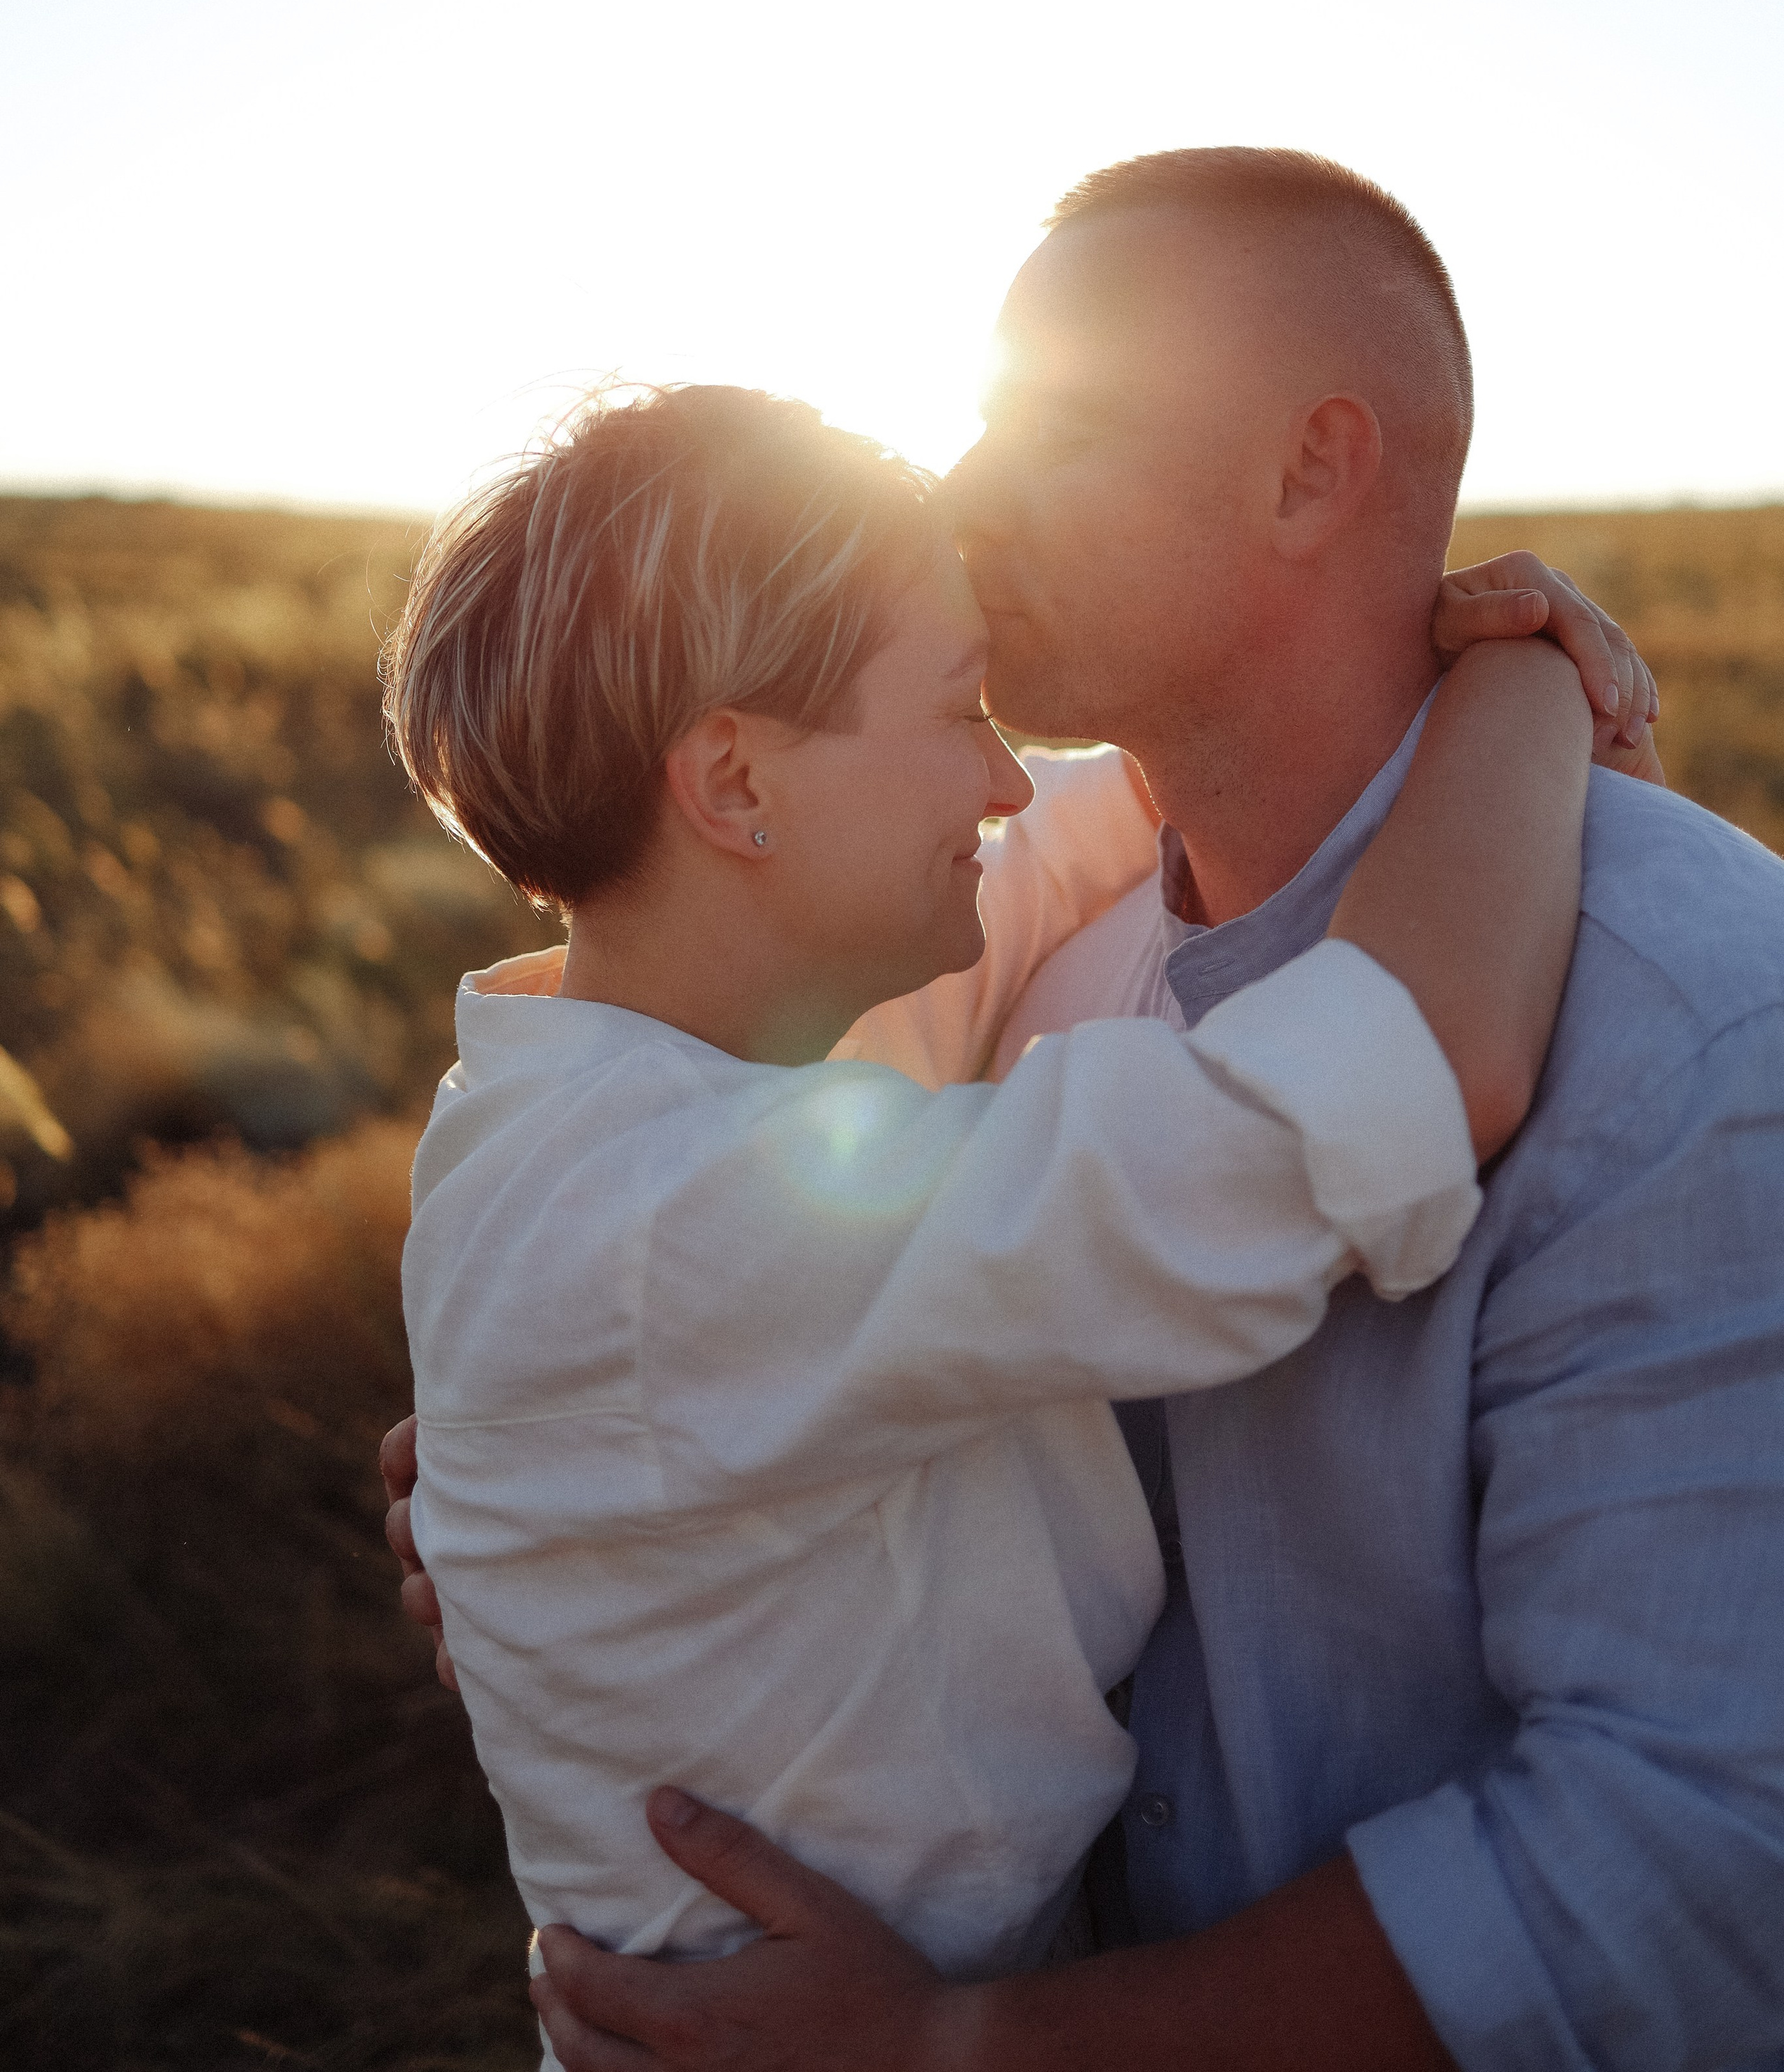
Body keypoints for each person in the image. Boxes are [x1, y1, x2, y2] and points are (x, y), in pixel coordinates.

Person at [489, 149, 1784, 2072]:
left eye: (1062, 428)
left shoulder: (1692, 1022)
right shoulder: (1024, 977)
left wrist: (967, 2049)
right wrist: (548, 1500)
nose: (962, 493)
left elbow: (1688, 1868)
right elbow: (647, 1297)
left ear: (1312, 472)